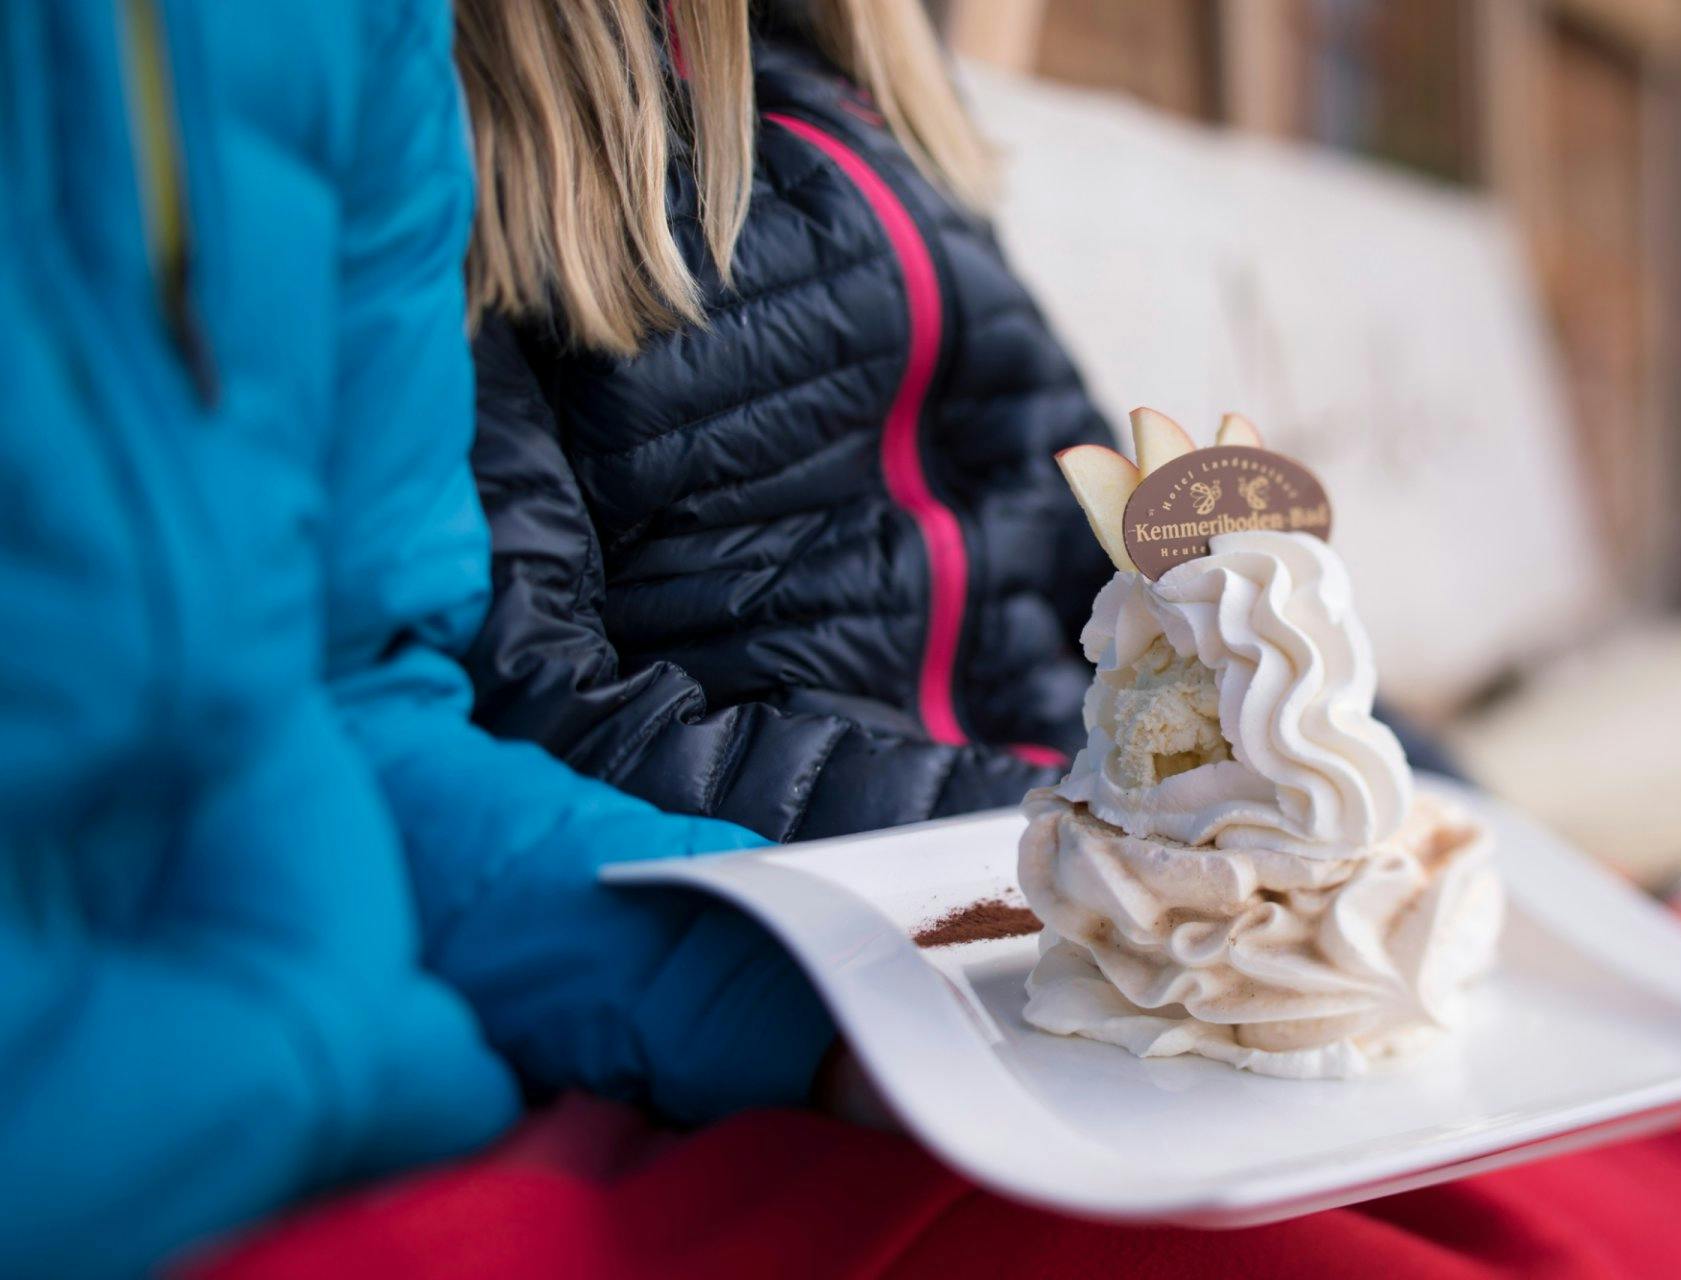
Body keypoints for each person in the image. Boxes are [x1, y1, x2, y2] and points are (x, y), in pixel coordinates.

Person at [0, 2, 834, 1274]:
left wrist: (830, 983)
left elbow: (361, 694)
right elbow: (558, 680)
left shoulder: (363, 28)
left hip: (382, 1085)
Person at [457, 0, 1119, 842]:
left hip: (1061, 813)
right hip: (827, 881)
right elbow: (548, 705)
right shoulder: (497, 142)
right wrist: (1047, 812)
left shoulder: (863, 90)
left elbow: (1077, 508)